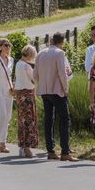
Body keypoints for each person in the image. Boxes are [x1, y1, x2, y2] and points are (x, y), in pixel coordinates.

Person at [34, 32, 78, 162]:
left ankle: (51, 150)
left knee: (49, 120)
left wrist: (40, 84)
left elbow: (35, 74)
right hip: (57, 90)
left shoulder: (40, 53)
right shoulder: (60, 53)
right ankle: (65, 152)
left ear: (52, 40)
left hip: (44, 90)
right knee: (64, 120)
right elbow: (62, 73)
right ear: (62, 41)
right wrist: (66, 88)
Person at [14, 44, 39, 158]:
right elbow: (34, 79)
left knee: (21, 120)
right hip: (27, 94)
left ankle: (21, 146)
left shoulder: (18, 64)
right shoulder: (26, 66)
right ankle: (27, 148)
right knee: (29, 120)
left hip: (19, 94)